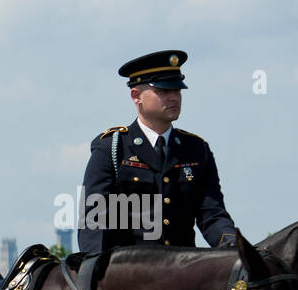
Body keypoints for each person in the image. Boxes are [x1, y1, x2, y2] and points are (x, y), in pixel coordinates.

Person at [79, 50, 239, 253]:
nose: (174, 97)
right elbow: (96, 221)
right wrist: (95, 270)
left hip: (184, 270)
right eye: (163, 91)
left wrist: (235, 248)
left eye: (178, 90)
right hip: (130, 273)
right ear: (136, 96)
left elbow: (212, 214)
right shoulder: (112, 148)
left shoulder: (196, 150)